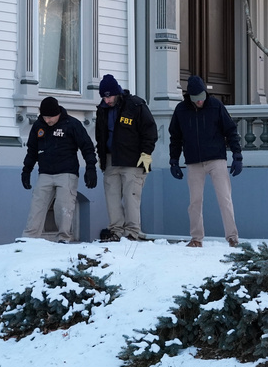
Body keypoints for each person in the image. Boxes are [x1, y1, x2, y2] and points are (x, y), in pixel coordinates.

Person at [169, 75, 243, 248]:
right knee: (195, 201)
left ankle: (232, 237)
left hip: (216, 159)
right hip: (194, 162)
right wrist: (173, 160)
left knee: (225, 198)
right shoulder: (181, 110)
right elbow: (175, 137)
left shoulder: (216, 105)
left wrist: (237, 156)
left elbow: (231, 131)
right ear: (190, 97)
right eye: (196, 99)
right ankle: (196, 238)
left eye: (202, 98)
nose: (199, 102)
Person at [21, 97, 98, 243]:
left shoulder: (72, 124)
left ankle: (63, 239)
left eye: (50, 117)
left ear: (58, 113)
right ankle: (29, 239)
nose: (48, 120)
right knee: (36, 206)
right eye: (45, 117)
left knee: (63, 207)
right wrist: (26, 170)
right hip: (45, 173)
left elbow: (87, 147)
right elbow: (32, 150)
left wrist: (90, 168)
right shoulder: (38, 126)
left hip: (66, 172)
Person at [94, 74, 158, 242]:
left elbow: (150, 131)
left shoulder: (135, 105)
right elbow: (100, 135)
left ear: (117, 92)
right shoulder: (101, 109)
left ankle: (132, 232)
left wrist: (146, 153)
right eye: (104, 97)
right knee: (112, 198)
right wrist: (101, 156)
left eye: (109, 96)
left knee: (132, 197)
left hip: (133, 160)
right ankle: (116, 231)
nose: (107, 100)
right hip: (110, 159)